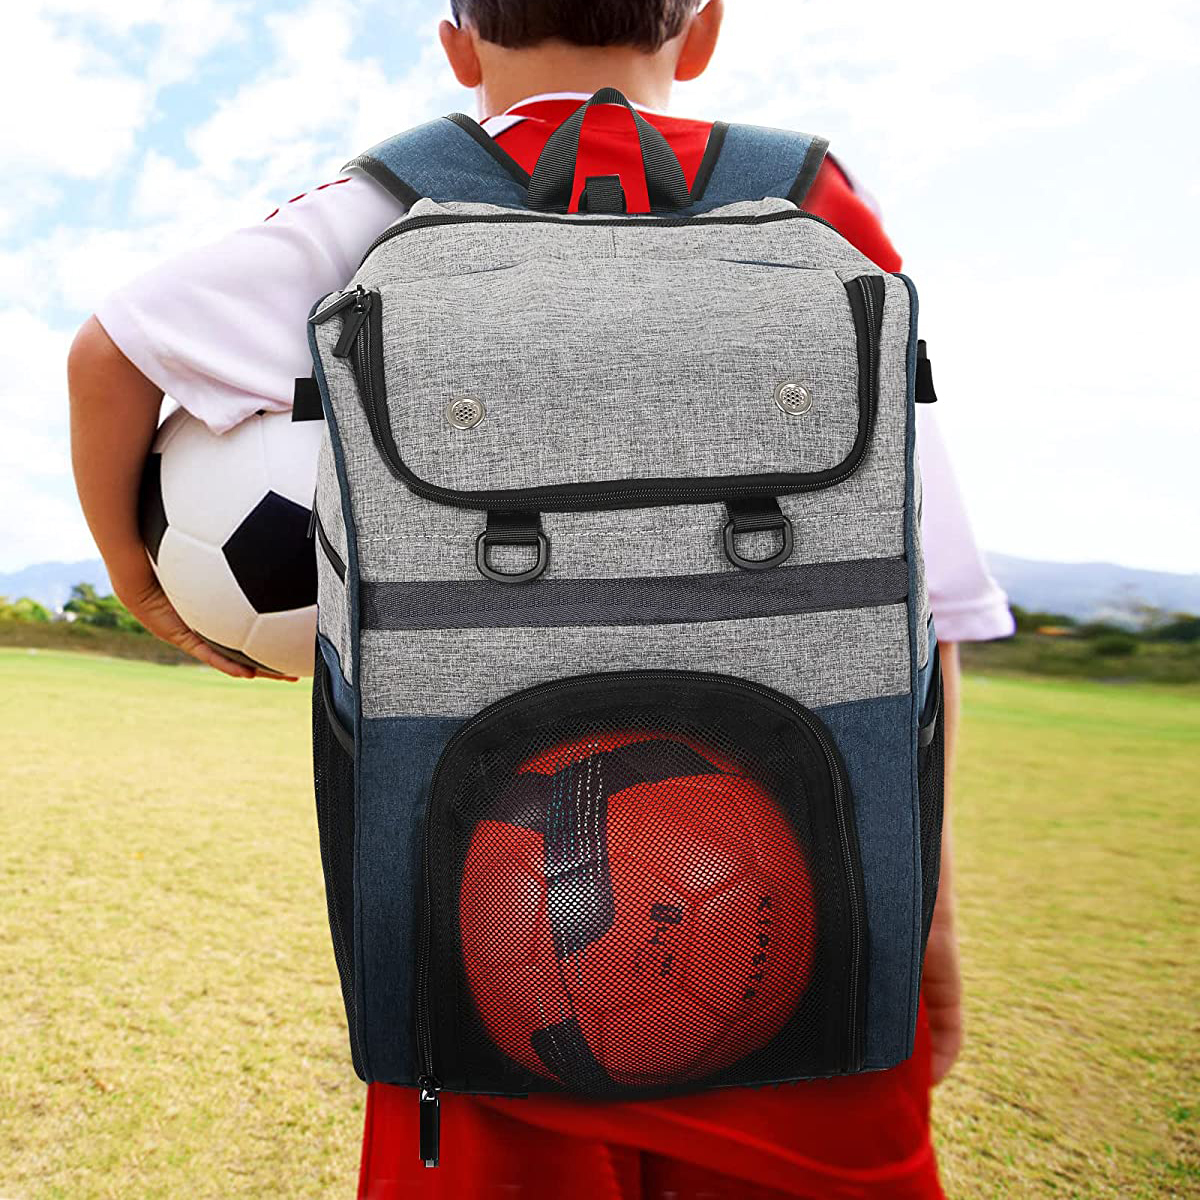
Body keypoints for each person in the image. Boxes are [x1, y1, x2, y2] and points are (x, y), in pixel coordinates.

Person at [67, 2, 1014, 1195]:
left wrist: (140, 583)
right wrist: (924, 914)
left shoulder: (393, 201)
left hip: (500, 949)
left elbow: (110, 352)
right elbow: (917, 597)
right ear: (704, 25)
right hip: (803, 933)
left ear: (459, 44)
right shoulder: (816, 204)